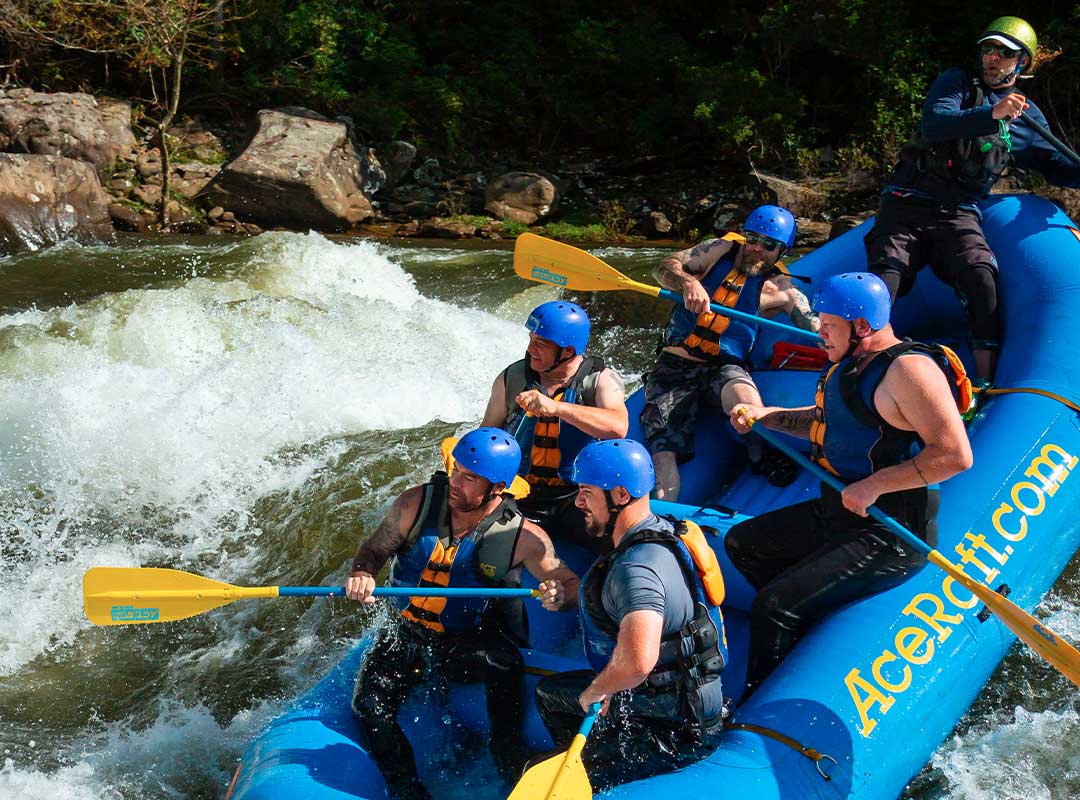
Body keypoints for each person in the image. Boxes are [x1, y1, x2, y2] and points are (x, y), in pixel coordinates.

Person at [725, 273, 973, 693]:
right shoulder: (851, 362)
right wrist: (765, 416)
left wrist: (875, 485)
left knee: (773, 606)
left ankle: (759, 697)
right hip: (841, 512)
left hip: (891, 533)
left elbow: (954, 455)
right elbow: (828, 422)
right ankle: (808, 617)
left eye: (828, 324)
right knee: (742, 543)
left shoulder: (908, 370)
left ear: (861, 327)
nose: (819, 332)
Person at [345, 427, 580, 800]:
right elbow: (374, 549)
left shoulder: (521, 535)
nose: (456, 481)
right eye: (456, 470)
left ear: (497, 488)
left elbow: (564, 579)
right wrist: (362, 572)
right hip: (403, 632)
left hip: (465, 640)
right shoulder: (416, 503)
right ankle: (409, 791)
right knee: (368, 706)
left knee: (505, 664)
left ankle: (508, 757)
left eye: (470, 478)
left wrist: (559, 594)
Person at [866, 16, 1080, 381]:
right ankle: (863, 367)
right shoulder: (957, 82)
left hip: (958, 212)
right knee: (884, 279)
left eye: (1004, 52)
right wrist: (992, 114)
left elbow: (1055, 165)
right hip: (908, 201)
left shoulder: (1028, 117)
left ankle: (984, 386)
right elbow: (936, 123)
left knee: (982, 279)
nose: (992, 57)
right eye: (988, 49)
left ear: (1021, 62)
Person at [533, 439, 728, 791]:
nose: (578, 502)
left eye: (586, 492)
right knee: (550, 694)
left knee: (538, 769)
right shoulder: (659, 529)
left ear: (620, 495)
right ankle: (587, 749)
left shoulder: (637, 569)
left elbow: (637, 662)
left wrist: (598, 689)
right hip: (666, 701)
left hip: (674, 731)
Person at [642, 204, 820, 499]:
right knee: (664, 453)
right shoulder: (718, 250)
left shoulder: (782, 290)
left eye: (768, 245)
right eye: (751, 238)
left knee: (746, 404)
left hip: (724, 368)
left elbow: (817, 331)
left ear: (782, 251)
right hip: (675, 365)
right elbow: (663, 266)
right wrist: (688, 283)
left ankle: (758, 456)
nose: (756, 249)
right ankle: (663, 516)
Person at [482, 301, 628, 550]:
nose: (530, 350)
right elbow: (487, 434)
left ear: (568, 350)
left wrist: (556, 408)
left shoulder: (600, 380)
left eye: (540, 343)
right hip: (520, 496)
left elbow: (618, 427)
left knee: (619, 543)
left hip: (576, 498)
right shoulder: (513, 378)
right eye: (531, 339)